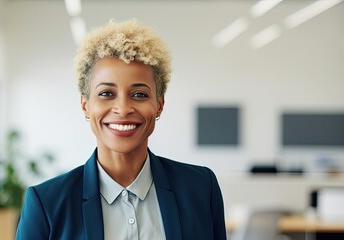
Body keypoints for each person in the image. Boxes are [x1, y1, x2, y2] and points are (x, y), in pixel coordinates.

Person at [15, 19, 226, 240]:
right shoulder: (46, 203)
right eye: (106, 93)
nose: (123, 109)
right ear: (85, 105)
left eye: (139, 94)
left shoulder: (201, 188)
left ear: (159, 104)